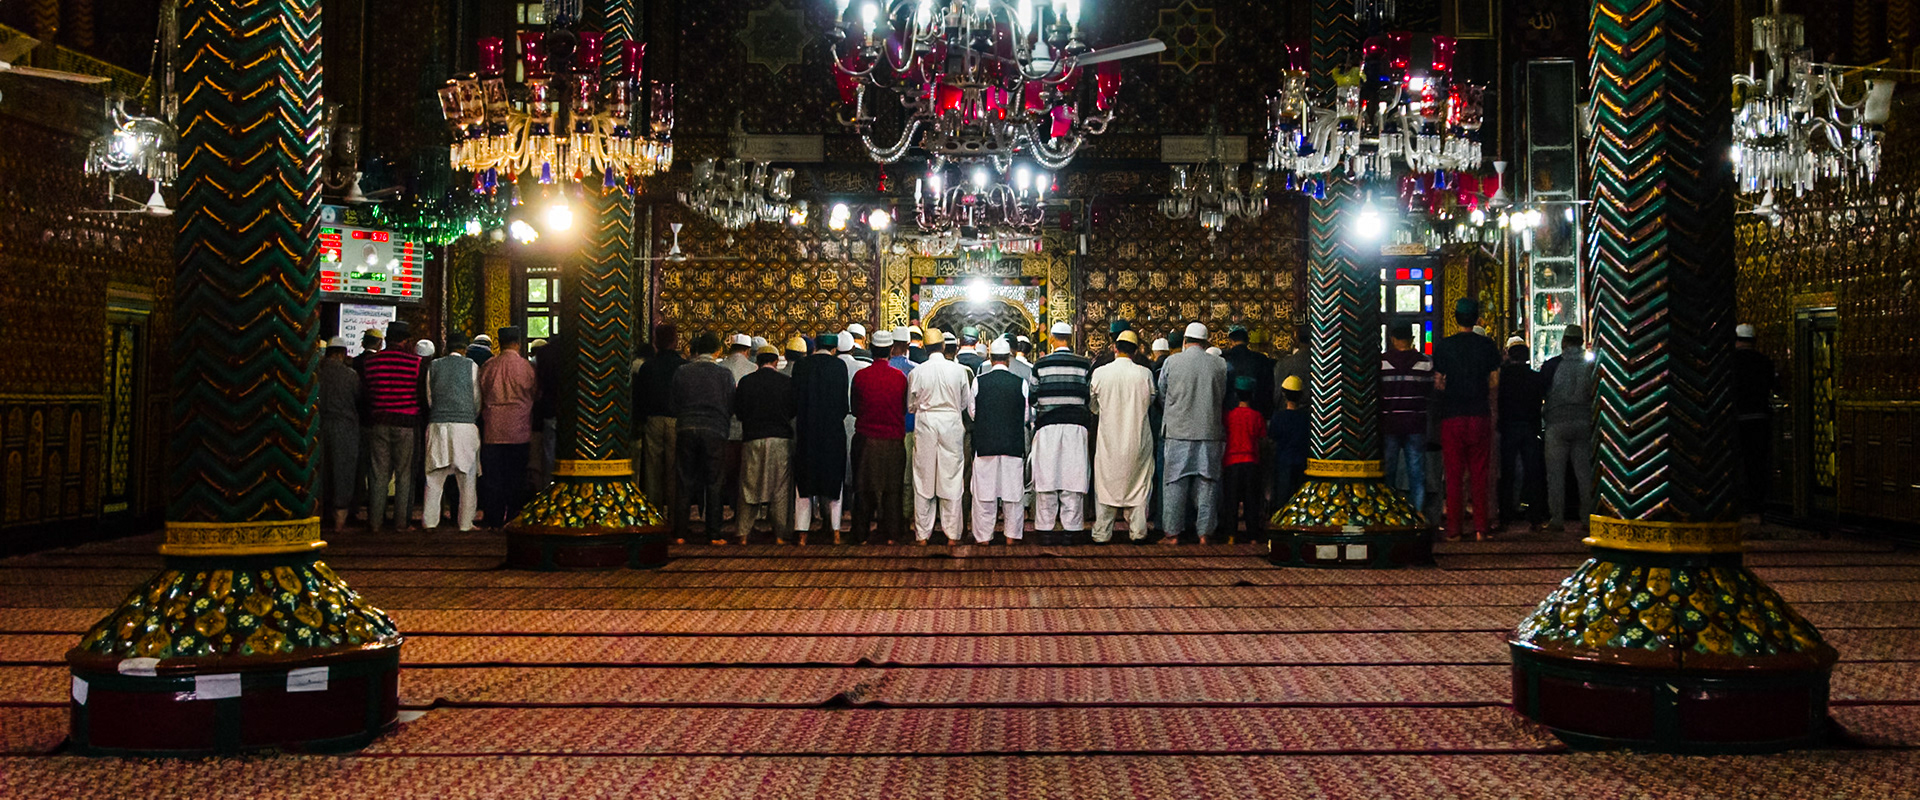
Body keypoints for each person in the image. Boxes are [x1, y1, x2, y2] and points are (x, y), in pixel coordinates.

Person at [1432, 298, 1502, 541]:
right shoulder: (1487, 346)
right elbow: (1494, 382)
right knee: (1480, 473)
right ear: (1477, 318)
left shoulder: (1443, 346)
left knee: (1453, 474)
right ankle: (1481, 528)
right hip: (1479, 414)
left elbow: (1439, 383)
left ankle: (1454, 530)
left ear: (1455, 318)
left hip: (1452, 416)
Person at [1158, 322, 1228, 544]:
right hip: (1209, 431)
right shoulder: (1219, 364)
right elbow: (1222, 395)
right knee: (1207, 483)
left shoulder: (1172, 361)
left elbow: (1162, 392)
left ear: (1185, 341)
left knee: (1175, 484)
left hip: (1178, 431)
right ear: (1206, 342)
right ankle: (1204, 534)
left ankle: (1173, 534)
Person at [1089, 331, 1155, 543]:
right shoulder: (1144, 374)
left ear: (1114, 348)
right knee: (1138, 484)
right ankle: (1138, 532)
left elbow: (1093, 406)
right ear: (1135, 352)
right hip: (1137, 439)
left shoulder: (1100, 373)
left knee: (1106, 483)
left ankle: (1101, 533)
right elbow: (1151, 400)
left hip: (1109, 440)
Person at [1031, 321, 1093, 544]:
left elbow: (1033, 397)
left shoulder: (1040, 365)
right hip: (1075, 428)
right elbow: (1088, 397)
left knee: (1047, 479)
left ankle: (1045, 530)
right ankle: (1072, 530)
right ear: (1071, 339)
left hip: (1047, 428)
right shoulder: (1084, 365)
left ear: (1052, 338)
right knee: (1072, 480)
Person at [908, 328, 971, 543]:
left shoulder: (917, 372)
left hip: (926, 423)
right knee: (951, 478)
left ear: (925, 348)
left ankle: (923, 535)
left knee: (923, 478)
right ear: (944, 346)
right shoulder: (959, 371)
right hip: (951, 423)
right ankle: (952, 535)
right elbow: (964, 403)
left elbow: (911, 405)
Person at [670, 333, 734, 543]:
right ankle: (713, 534)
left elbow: (675, 399)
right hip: (715, 429)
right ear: (717, 351)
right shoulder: (724, 374)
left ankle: (680, 533)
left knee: (684, 480)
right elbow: (730, 402)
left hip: (686, 426)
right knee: (714, 482)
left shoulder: (682, 371)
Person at [362, 320, 425, 532]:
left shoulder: (371, 363)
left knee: (378, 474)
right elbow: (420, 396)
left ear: (387, 340)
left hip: (379, 423)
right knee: (404, 474)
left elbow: (367, 394)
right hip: (406, 424)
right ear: (406, 341)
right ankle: (401, 523)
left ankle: (375, 523)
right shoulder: (415, 363)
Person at [965, 338, 1029, 545]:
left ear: (991, 359)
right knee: (1012, 494)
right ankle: (1011, 535)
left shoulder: (979, 381)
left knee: (984, 494)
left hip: (985, 445)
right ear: (1009, 359)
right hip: (1012, 445)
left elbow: (972, 413)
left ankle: (983, 537)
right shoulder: (1021, 383)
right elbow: (1026, 417)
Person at [850, 329, 909, 544]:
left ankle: (861, 535)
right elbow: (903, 408)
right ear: (892, 350)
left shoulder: (861, 376)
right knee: (892, 490)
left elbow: (855, 408)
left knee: (863, 489)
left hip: (866, 441)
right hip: (893, 441)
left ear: (871, 350)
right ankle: (892, 535)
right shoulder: (899, 378)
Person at [734, 344, 795, 543]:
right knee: (780, 488)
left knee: (749, 485)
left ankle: (743, 532)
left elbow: (739, 413)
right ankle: (780, 534)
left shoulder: (746, 382)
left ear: (757, 362)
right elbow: (792, 411)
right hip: (780, 440)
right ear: (776, 362)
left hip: (753, 439)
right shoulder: (787, 382)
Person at [477, 326, 538, 528]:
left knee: (493, 478)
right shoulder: (526, 367)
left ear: (499, 343)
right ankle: (513, 517)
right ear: (518, 343)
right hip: (519, 431)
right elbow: (534, 394)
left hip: (493, 431)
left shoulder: (488, 366)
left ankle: (493, 519)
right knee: (516, 477)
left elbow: (481, 393)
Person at [792, 333, 850, 542]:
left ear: (815, 346)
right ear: (834, 349)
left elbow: (794, 401)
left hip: (807, 432)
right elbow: (844, 405)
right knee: (834, 482)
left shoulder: (801, 366)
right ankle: (835, 531)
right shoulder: (839, 367)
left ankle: (802, 532)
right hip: (832, 433)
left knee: (804, 483)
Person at [1541, 325, 1597, 533]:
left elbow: (1542, 391)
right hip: (1584, 422)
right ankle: (1587, 519)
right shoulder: (1590, 365)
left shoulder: (1552, 365)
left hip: (1556, 424)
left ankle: (1557, 519)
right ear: (1581, 342)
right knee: (1584, 475)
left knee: (1555, 475)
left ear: (1564, 342)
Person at [423, 333, 481, 531]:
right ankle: (465, 524)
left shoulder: (434, 366)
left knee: (434, 478)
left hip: (438, 426)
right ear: (465, 349)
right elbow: (476, 399)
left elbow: (430, 398)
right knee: (467, 479)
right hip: (464, 427)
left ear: (447, 347)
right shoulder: (471, 366)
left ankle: (430, 522)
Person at [633, 324, 686, 516]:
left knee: (652, 471)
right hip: (676, 421)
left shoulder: (648, 366)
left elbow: (639, 396)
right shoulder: (682, 366)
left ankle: (653, 515)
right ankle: (674, 518)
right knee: (673, 470)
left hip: (653, 420)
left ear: (656, 341)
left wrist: (640, 421)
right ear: (675, 341)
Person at [1381, 326, 1434, 515]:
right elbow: (1429, 394)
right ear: (1412, 339)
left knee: (1388, 474)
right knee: (1417, 475)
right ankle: (1417, 516)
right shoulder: (1425, 363)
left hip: (1389, 425)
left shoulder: (1382, 363)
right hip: (1416, 424)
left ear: (1392, 338)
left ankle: (1388, 514)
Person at [1497, 341, 1548, 530]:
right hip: (1529, 427)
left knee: (1508, 473)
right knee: (1532, 472)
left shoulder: (1504, 377)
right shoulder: (1535, 378)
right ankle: (1535, 517)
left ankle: (1505, 517)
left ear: (1510, 356)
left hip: (1509, 426)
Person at [1731, 323, 1776, 520]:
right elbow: (1776, 387)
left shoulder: (1731, 362)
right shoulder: (1764, 361)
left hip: (1737, 419)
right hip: (1760, 419)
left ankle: (1742, 502)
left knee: (1738, 463)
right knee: (1757, 462)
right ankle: (1758, 502)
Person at [317, 335, 361, 530]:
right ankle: (339, 520)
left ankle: (318, 516)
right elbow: (359, 399)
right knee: (343, 471)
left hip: (319, 425)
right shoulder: (350, 375)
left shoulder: (316, 372)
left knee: (320, 470)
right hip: (345, 427)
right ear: (343, 354)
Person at [1221, 376, 1267, 540]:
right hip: (1251, 462)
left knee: (1231, 501)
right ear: (1252, 394)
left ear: (1236, 394)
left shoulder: (1229, 416)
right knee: (1251, 501)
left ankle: (1231, 536)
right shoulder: (1257, 416)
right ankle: (1253, 536)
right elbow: (1261, 439)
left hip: (1231, 462)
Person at [1269, 375, 1310, 504]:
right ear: (1301, 395)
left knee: (1283, 498)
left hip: (1283, 462)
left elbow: (1272, 438)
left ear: (1284, 394)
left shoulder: (1278, 417)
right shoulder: (1306, 418)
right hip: (1302, 462)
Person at [1222, 327, 1276, 417]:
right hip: (1257, 411)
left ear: (1231, 341)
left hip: (1230, 412)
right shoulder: (1261, 359)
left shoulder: (1224, 358)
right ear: (1247, 341)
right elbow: (1269, 387)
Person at [529, 338, 560, 489]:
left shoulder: (543, 356)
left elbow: (536, 388)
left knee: (549, 456)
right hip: (574, 413)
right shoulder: (578, 350)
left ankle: (549, 490)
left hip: (549, 410)